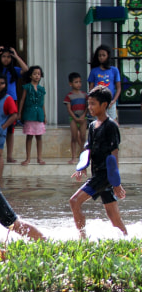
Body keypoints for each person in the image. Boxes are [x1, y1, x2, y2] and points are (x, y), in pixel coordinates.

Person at [69, 85, 127, 239]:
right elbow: (88, 150)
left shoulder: (111, 126)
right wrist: (82, 167)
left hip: (104, 175)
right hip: (98, 173)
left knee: (74, 201)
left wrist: (116, 183)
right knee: (114, 217)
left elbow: (114, 155)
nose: (90, 107)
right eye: (89, 103)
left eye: (93, 104)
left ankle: (83, 239)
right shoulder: (92, 126)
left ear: (104, 105)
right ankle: (127, 238)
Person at [0, 46, 29, 163]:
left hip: (11, 101)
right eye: (4, 56)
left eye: (8, 57)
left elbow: (26, 69)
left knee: (10, 130)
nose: (6, 59)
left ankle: (9, 155)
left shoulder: (14, 70)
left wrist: (16, 56)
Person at [18, 65, 46, 166]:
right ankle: (28, 158)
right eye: (34, 74)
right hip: (29, 114)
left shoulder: (41, 89)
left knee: (39, 137)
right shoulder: (27, 87)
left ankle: (39, 158)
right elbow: (22, 100)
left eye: (38, 74)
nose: (37, 76)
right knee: (29, 136)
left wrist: (45, 116)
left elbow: (42, 103)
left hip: (39, 115)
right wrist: (19, 113)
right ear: (30, 76)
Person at [88, 45, 121, 123]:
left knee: (113, 122)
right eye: (99, 55)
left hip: (110, 102)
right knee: (98, 123)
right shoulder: (94, 71)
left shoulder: (114, 70)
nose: (101, 57)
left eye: (103, 55)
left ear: (108, 56)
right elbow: (91, 88)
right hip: (98, 102)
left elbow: (118, 88)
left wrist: (114, 101)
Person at [63, 72, 88, 165]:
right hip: (73, 119)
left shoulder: (85, 95)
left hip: (83, 118)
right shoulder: (69, 96)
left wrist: (83, 116)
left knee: (82, 137)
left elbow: (87, 107)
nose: (78, 84)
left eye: (80, 82)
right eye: (76, 82)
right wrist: (75, 118)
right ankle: (73, 157)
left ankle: (83, 155)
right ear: (71, 84)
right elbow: (69, 109)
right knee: (74, 137)